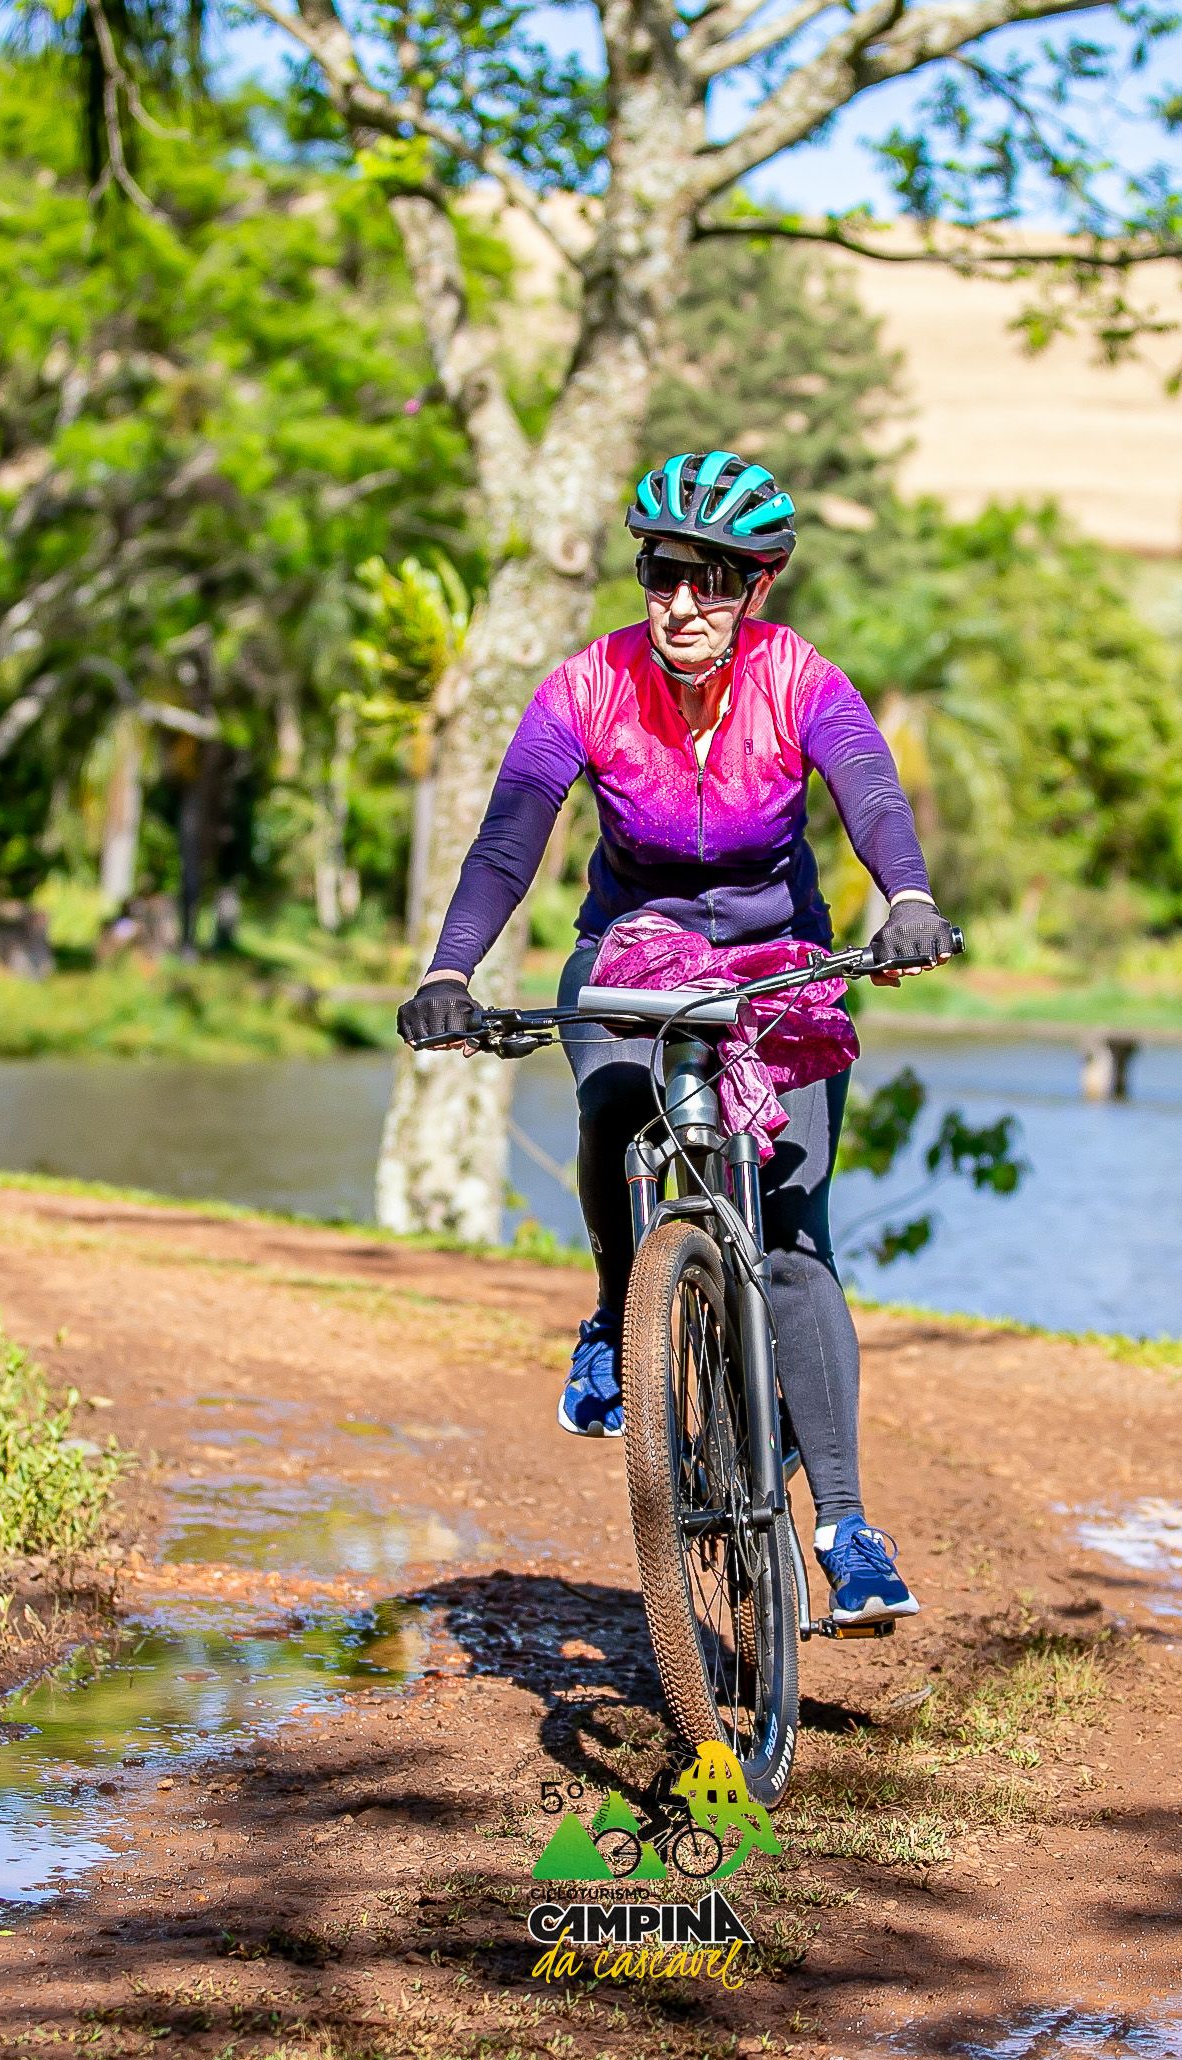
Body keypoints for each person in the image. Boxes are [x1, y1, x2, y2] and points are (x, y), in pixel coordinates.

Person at [396, 451, 959, 1629]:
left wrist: (906, 898)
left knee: (794, 1240)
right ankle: (617, 1314)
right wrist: (450, 969)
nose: (685, 605)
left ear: (759, 585)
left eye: (715, 580)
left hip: (779, 966)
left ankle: (846, 1525)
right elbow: (508, 840)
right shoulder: (587, 686)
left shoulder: (800, 680)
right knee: (611, 1101)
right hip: (633, 953)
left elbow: (870, 794)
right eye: (663, 574)